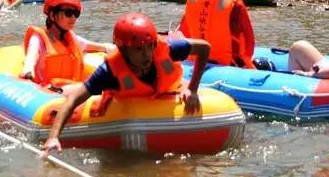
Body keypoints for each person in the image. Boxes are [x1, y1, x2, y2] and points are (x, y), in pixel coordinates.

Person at [41, 13, 210, 154]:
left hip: (167, 90)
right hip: (121, 102)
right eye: (138, 49)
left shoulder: (166, 47)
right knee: (70, 90)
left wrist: (193, 89)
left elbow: (204, 48)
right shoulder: (109, 71)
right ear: (123, 50)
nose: (147, 55)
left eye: (149, 46)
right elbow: (72, 101)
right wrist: (53, 137)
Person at [19, 0, 113, 93]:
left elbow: (97, 47)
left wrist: (115, 49)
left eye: (76, 14)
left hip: (69, 90)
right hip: (45, 92)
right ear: (52, 15)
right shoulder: (39, 38)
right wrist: (28, 68)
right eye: (68, 13)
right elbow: (32, 55)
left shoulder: (72, 39)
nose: (73, 18)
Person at [176, 0, 255, 69]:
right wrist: (246, 63)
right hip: (226, 64)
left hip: (194, 62)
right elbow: (248, 40)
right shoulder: (236, 5)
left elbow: (184, 32)